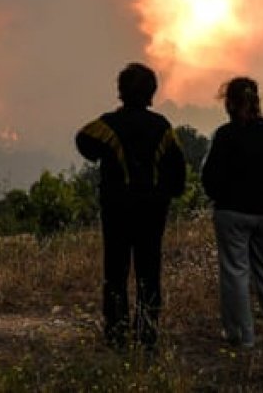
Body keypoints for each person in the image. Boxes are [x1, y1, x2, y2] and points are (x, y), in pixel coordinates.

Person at [75, 62, 186, 350]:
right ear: (152, 93)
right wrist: (164, 194)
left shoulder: (107, 125)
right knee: (149, 272)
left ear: (121, 91)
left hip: (117, 211)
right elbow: (178, 172)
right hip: (152, 213)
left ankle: (116, 334)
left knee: (115, 272)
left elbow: (83, 141)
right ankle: (147, 334)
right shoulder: (162, 127)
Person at [201, 77, 263, 347]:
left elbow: (210, 177)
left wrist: (220, 196)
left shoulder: (225, 135)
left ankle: (241, 334)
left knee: (235, 271)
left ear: (229, 103)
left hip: (232, 211)